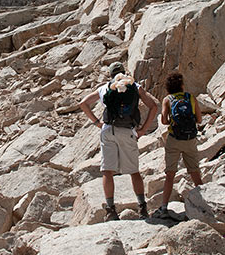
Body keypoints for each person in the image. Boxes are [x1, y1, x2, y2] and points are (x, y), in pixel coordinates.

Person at [79, 62, 158, 221]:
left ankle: (111, 210)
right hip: (128, 131)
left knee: (107, 171)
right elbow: (154, 106)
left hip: (108, 130)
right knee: (134, 171)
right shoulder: (135, 87)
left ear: (110, 74)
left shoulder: (105, 88)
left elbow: (83, 103)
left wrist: (97, 123)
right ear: (124, 72)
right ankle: (142, 207)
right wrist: (142, 129)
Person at [152, 72, 203, 219]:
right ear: (181, 85)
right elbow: (199, 119)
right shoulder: (190, 98)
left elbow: (164, 121)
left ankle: (164, 207)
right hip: (190, 139)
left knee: (170, 174)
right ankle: (206, 202)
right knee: (194, 172)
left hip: (174, 140)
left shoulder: (167, 99)